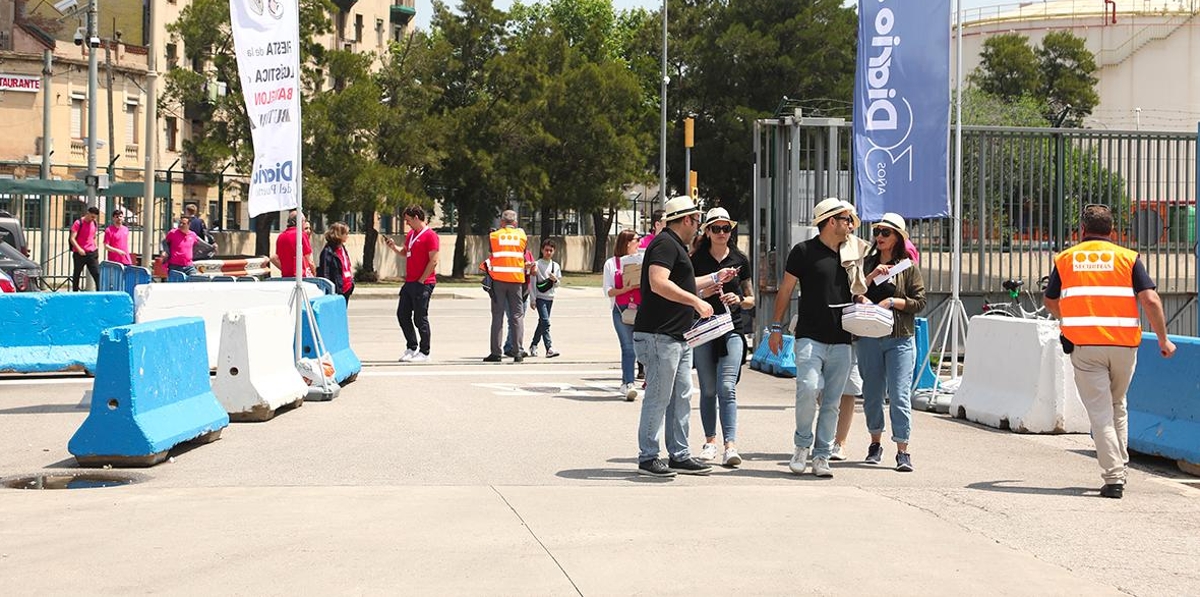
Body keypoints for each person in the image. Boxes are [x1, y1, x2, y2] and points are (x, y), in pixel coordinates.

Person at [1043, 203, 1176, 499]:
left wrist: (1067, 319)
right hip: (1124, 346)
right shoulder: (1127, 258)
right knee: (1117, 405)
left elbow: (1050, 300)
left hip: (1086, 347)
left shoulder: (1066, 259)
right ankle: (1122, 468)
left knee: (1101, 412)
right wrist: (1163, 339)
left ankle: (1114, 477)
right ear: (1113, 231)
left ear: (1080, 231)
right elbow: (1151, 301)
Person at [633, 196, 738, 478]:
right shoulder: (666, 244)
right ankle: (648, 457)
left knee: (680, 396)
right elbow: (658, 282)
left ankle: (678, 454)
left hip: (676, 336)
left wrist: (716, 277)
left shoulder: (674, 245)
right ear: (688, 220)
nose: (699, 226)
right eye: (698, 220)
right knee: (659, 396)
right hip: (659, 335)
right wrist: (695, 301)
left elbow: (684, 283)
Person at [768, 197, 863, 478]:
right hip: (809, 335)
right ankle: (801, 446)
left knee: (832, 400)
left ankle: (822, 455)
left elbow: (859, 290)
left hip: (842, 337)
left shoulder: (852, 253)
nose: (850, 225)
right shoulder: (803, 251)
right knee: (808, 389)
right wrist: (776, 327)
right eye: (846, 219)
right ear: (831, 221)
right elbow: (785, 290)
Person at [855, 213, 927, 472]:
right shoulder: (868, 263)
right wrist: (871, 278)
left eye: (886, 233)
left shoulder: (907, 267)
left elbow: (920, 302)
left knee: (899, 395)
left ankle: (902, 451)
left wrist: (893, 302)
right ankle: (875, 443)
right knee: (872, 394)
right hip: (869, 337)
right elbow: (854, 291)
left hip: (899, 338)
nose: (880, 237)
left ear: (897, 237)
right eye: (878, 232)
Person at [690, 208, 754, 467]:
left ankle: (730, 445)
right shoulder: (696, 259)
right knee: (707, 389)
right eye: (716, 228)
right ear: (707, 231)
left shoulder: (740, 259)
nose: (721, 233)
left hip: (732, 329)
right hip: (704, 329)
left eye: (726, 228)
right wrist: (704, 295)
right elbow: (686, 290)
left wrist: (738, 299)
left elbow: (751, 299)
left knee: (727, 387)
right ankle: (710, 442)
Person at [385, 205, 439, 363]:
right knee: (402, 314)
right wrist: (394, 247)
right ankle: (411, 347)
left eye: (408, 220)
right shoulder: (411, 235)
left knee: (420, 317)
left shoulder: (430, 236)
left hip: (423, 282)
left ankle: (425, 351)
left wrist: (422, 279)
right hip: (409, 282)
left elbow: (434, 260)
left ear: (416, 217)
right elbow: (405, 252)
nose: (407, 223)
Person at [483, 209, 529, 363]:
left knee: (497, 316)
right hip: (516, 280)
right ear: (515, 222)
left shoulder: (494, 236)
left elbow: (492, 253)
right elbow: (523, 250)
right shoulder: (522, 235)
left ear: (502, 222)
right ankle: (517, 352)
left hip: (499, 280)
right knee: (517, 316)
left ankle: (496, 353)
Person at [603, 229, 642, 400]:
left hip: (641, 308)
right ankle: (629, 383)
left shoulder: (642, 259)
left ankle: (630, 380)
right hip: (621, 310)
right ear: (627, 242)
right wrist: (625, 289)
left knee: (641, 347)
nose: (639, 243)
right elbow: (608, 291)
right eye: (636, 240)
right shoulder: (611, 263)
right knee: (628, 347)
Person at [529, 238, 562, 358]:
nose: (548, 252)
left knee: (542, 322)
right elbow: (532, 283)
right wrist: (532, 299)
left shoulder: (555, 266)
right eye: (546, 250)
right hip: (540, 297)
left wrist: (555, 279)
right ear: (542, 250)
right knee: (546, 322)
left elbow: (558, 284)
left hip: (550, 297)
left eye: (551, 250)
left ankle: (534, 345)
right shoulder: (537, 264)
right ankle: (549, 348)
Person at [317, 222, 355, 303]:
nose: (348, 236)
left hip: (347, 286)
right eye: (346, 233)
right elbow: (325, 272)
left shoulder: (342, 247)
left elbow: (346, 264)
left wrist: (351, 281)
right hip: (337, 288)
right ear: (339, 234)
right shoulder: (328, 251)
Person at [271, 211, 313, 278]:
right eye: (304, 221)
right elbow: (309, 261)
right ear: (299, 221)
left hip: (286, 277)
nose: (305, 224)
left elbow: (275, 258)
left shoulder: (280, 237)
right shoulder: (301, 235)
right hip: (302, 277)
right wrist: (315, 274)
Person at [69, 206, 101, 291]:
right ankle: (75, 291)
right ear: (88, 213)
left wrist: (96, 247)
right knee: (77, 273)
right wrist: (79, 249)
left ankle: (99, 291)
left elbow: (94, 236)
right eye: (92, 216)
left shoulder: (94, 223)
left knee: (97, 273)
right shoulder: (78, 223)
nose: (93, 219)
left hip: (92, 252)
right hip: (79, 253)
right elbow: (72, 238)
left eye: (95, 217)